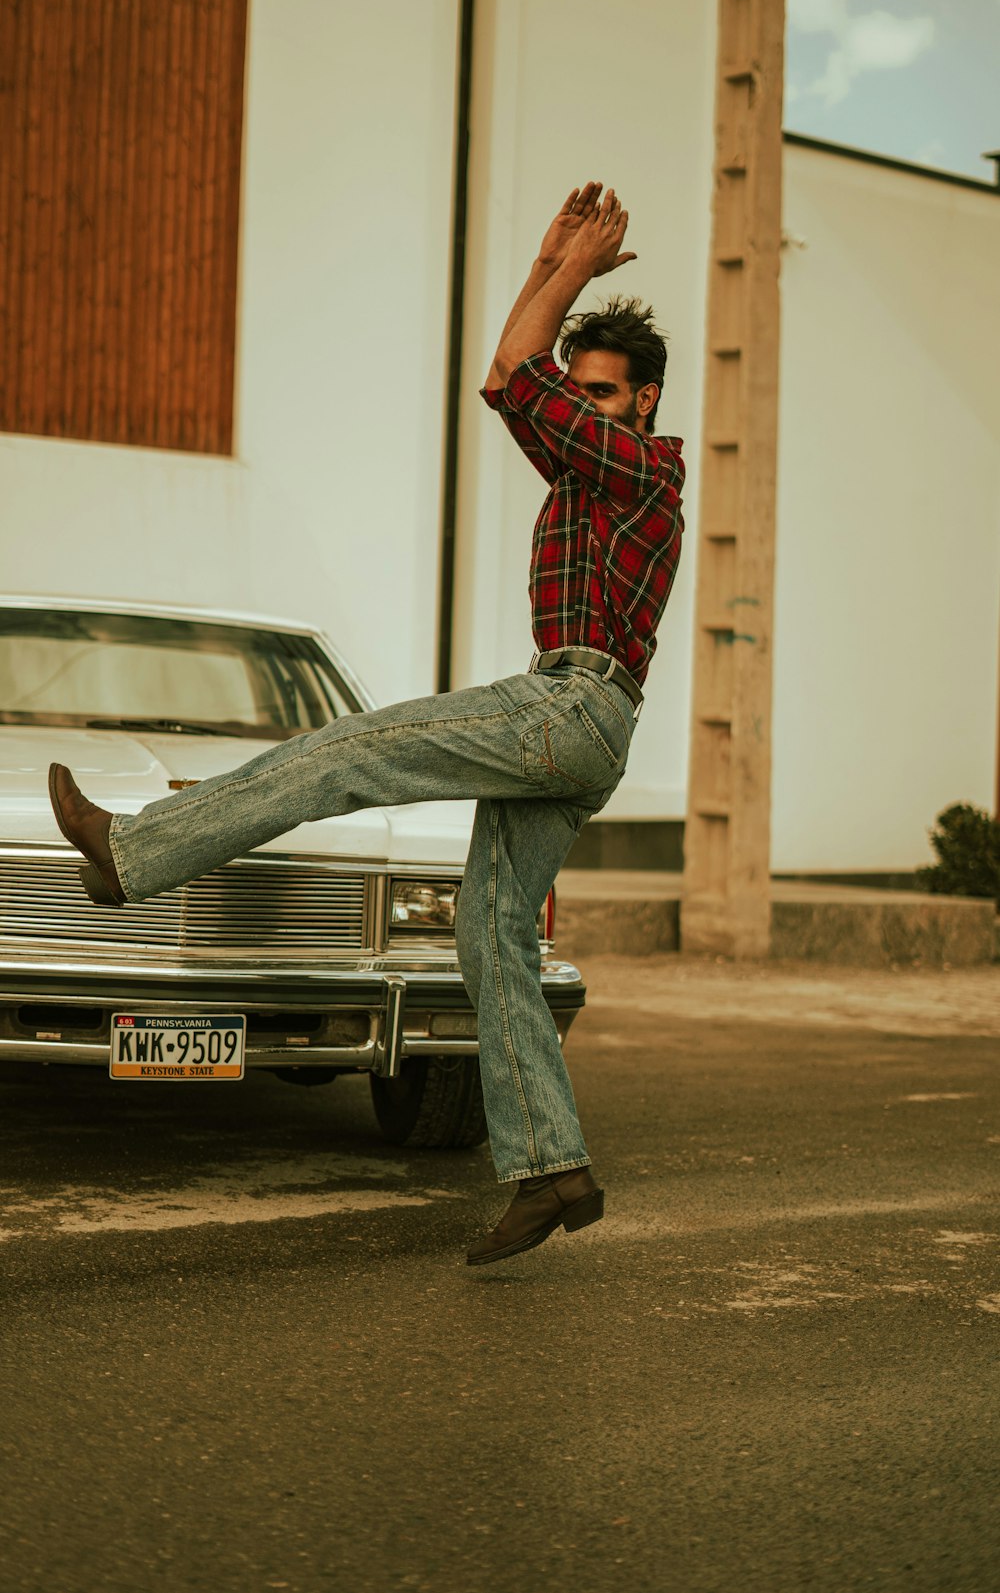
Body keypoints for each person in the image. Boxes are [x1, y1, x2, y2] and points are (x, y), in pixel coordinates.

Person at [48, 182, 685, 1266]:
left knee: (352, 750)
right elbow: (512, 385)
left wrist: (568, 276)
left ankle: (135, 852)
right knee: (491, 941)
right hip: (585, 721)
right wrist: (545, 269)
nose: (586, 404)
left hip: (570, 704)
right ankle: (551, 1168)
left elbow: (510, 379)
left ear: (646, 401)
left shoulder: (647, 471)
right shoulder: (586, 473)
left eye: (606, 392)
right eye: (581, 391)